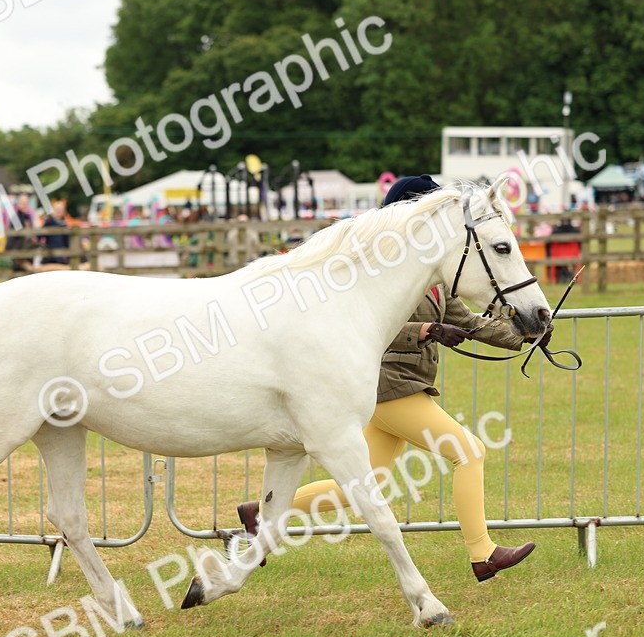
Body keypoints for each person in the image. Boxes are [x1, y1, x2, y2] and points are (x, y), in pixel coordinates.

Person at [236, 175, 551, 582]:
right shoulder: (383, 275)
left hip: (408, 385)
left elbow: (470, 323)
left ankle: (259, 513)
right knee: (468, 451)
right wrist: (426, 331)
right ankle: (483, 553)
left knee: (367, 482)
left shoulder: (436, 280)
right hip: (389, 386)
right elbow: (371, 329)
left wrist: (526, 333)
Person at [38, 199, 71, 266]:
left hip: (62, 256)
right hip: (50, 256)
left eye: (60, 210)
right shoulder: (49, 221)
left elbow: (67, 241)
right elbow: (39, 236)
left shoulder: (64, 223)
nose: (59, 212)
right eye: (57, 210)